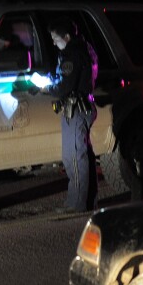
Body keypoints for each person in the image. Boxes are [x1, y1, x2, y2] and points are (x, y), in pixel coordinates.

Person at [44, 17, 99, 212]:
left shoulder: (71, 54)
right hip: (83, 107)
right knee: (83, 156)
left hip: (75, 110)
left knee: (74, 157)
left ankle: (77, 204)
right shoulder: (84, 48)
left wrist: (45, 87)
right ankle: (87, 201)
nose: (53, 42)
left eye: (55, 38)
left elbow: (64, 87)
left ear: (67, 37)